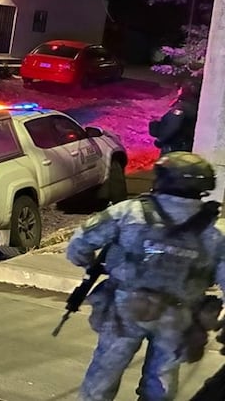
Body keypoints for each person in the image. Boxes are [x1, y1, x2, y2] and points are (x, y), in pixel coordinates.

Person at [67, 152, 225, 401]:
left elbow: (79, 246)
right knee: (160, 383)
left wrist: (90, 265)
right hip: (178, 316)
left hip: (125, 309)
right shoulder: (212, 233)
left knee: (104, 375)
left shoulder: (129, 212)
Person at [149, 80, 200, 154]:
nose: (178, 91)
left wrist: (160, 140)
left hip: (174, 146)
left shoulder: (182, 108)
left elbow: (173, 126)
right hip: (187, 146)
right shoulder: (196, 106)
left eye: (180, 89)